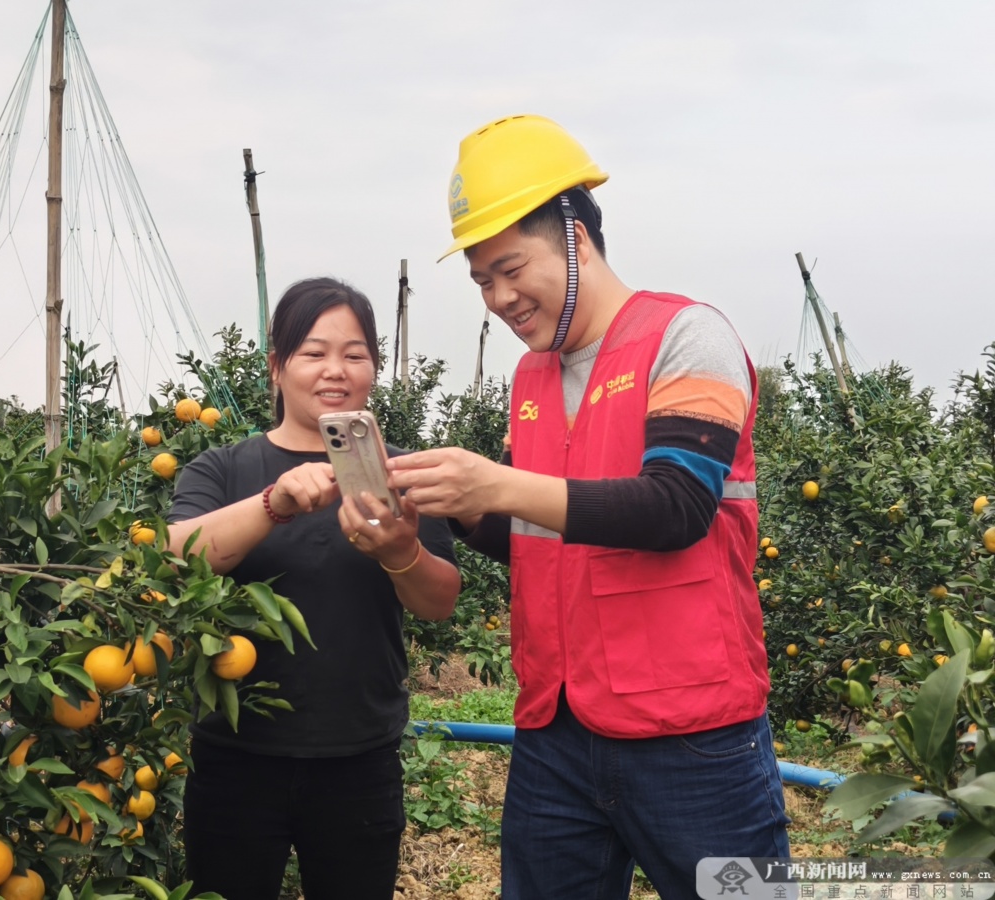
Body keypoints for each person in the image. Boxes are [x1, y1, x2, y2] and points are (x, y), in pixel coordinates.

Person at [386, 115, 790, 899]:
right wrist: (463, 511)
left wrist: (495, 483)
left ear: (574, 233)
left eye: (510, 268)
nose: (499, 298)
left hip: (693, 733)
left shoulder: (687, 336)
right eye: (480, 282)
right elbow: (550, 534)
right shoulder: (533, 379)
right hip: (558, 730)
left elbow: (675, 509)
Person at [166, 276, 460, 900]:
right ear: (276, 366)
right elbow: (178, 560)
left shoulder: (404, 476)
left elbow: (439, 603)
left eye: (355, 354)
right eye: (314, 352)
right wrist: (273, 504)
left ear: (374, 368)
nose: (336, 370)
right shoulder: (223, 469)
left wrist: (400, 549)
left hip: (360, 758)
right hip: (234, 758)